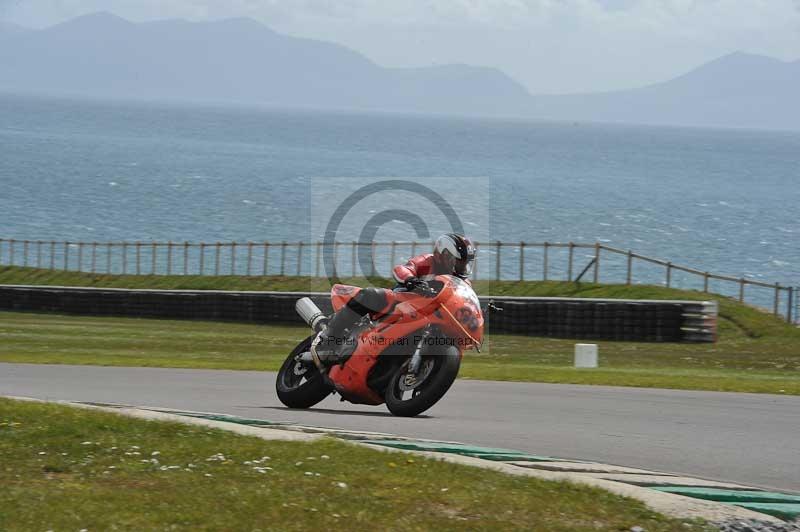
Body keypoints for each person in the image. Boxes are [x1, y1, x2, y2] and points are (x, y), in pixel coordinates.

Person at [311, 233, 476, 364]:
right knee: (370, 295)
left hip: (428, 315)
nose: (462, 267)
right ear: (443, 255)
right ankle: (329, 336)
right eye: (457, 262)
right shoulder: (428, 262)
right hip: (402, 300)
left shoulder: (463, 282)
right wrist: (412, 280)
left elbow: (463, 300)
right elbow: (402, 269)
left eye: (465, 263)